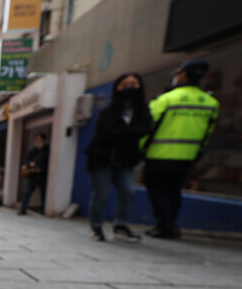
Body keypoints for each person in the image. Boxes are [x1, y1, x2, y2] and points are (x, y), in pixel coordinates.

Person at [142, 60, 219, 238]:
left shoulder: (167, 99)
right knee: (174, 191)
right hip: (187, 157)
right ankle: (169, 225)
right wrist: (199, 151)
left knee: (157, 190)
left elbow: (147, 126)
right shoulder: (211, 102)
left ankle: (166, 226)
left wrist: (138, 147)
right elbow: (208, 131)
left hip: (159, 154)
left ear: (182, 75)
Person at [84, 73, 153, 242]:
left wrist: (125, 134)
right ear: (117, 87)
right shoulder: (107, 111)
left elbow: (146, 129)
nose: (129, 87)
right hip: (101, 158)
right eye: (125, 84)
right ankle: (96, 227)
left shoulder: (142, 111)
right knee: (101, 194)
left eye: (134, 83)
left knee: (128, 191)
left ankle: (121, 226)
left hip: (125, 159)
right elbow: (108, 134)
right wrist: (131, 133)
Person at [18, 133, 49, 215]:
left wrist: (42, 169)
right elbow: (27, 161)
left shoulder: (47, 151)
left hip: (42, 176)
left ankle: (43, 210)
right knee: (27, 192)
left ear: (43, 140)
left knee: (43, 194)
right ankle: (23, 209)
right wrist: (30, 163)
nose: (37, 140)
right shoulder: (33, 151)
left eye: (39, 138)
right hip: (33, 176)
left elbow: (49, 164)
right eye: (36, 139)